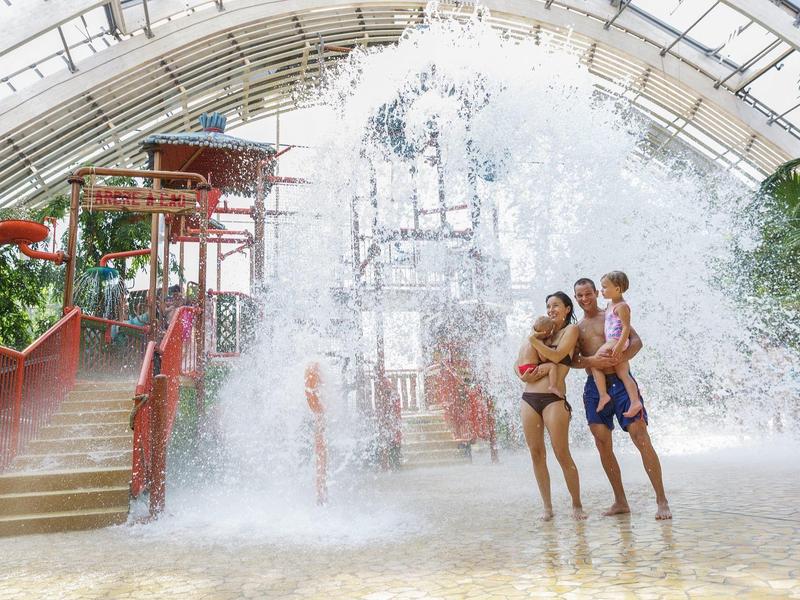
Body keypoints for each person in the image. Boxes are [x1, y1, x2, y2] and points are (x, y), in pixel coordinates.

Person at [572, 277, 672, 520]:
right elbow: (571, 359)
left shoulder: (610, 313)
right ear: (575, 298)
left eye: (588, 293)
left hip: (620, 381)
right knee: (602, 443)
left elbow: (636, 341)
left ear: (596, 292)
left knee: (640, 436)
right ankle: (620, 501)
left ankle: (661, 499)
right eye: (580, 296)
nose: (585, 299)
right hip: (595, 387)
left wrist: (621, 355)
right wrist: (590, 361)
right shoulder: (576, 328)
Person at [514, 292, 586, 521]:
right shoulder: (540, 332)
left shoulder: (570, 331)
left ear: (567, 308)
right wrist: (522, 375)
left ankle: (576, 505)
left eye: (556, 305)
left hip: (553, 400)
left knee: (562, 453)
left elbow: (556, 356)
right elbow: (518, 364)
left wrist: (534, 341)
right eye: (548, 306)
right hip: (529, 399)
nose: (551, 309)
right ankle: (547, 507)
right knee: (536, 454)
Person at [591, 271, 642, 418]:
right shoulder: (610, 305)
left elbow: (626, 327)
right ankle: (635, 401)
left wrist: (619, 346)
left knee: (595, 362)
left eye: (605, 287)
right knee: (623, 373)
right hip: (614, 341)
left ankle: (603, 395)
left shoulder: (622, 306)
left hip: (615, 341)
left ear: (618, 289)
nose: (602, 290)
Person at [518, 315, 563, 399]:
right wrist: (547, 345)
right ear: (545, 333)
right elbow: (543, 358)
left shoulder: (526, 341)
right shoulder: (537, 341)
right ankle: (552, 386)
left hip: (521, 369)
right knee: (552, 366)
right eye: (550, 332)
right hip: (531, 369)